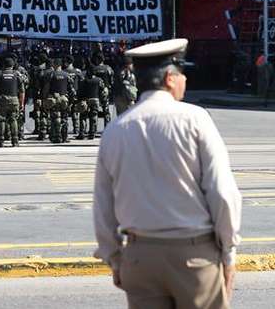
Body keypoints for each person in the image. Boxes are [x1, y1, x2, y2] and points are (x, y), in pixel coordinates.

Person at [93, 38, 241, 309]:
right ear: (171, 79)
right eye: (182, 74)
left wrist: (115, 257)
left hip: (139, 257)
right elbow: (221, 191)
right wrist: (228, 252)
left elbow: (103, 205)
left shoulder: (115, 129)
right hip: (193, 255)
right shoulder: (195, 119)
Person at [0, 57, 25, 147]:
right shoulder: (17, 74)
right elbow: (22, 90)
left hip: (2, 100)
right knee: (13, 120)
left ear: (3, 65)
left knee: (1, 120)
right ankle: (15, 141)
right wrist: (21, 103)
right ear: (13, 65)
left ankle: (0, 140)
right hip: (14, 99)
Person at [42, 58, 74, 144]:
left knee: (54, 118)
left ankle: (56, 136)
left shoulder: (51, 75)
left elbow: (46, 88)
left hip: (53, 99)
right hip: (64, 99)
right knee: (64, 118)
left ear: (54, 64)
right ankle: (64, 136)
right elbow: (71, 90)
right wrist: (71, 102)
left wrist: (44, 99)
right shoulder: (67, 75)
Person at [77, 68, 106, 140]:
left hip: (86, 100)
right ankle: (92, 133)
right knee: (93, 116)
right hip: (95, 100)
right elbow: (102, 90)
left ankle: (82, 133)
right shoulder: (99, 80)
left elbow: (81, 90)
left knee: (83, 116)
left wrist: (79, 99)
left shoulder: (84, 80)